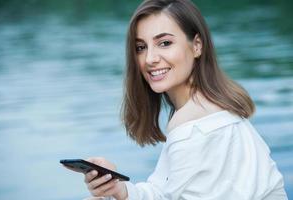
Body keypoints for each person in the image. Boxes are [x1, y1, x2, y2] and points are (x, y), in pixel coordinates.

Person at [82, 0, 288, 199]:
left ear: (197, 45)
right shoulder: (210, 108)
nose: (150, 58)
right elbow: (166, 192)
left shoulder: (193, 123)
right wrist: (118, 190)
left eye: (164, 43)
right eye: (140, 47)